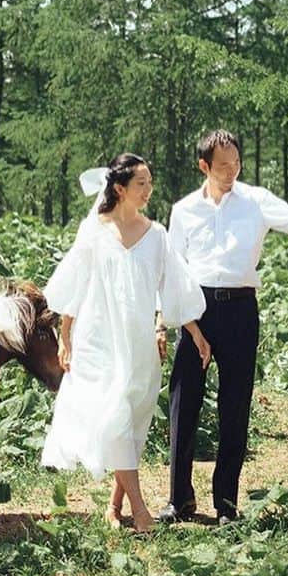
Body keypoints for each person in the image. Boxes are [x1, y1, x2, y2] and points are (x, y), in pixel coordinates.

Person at [159, 130, 288, 526]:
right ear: (204, 166)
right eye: (223, 166)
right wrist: (168, 322)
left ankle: (226, 504)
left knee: (234, 408)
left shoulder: (256, 201)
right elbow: (171, 269)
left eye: (236, 163)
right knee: (182, 407)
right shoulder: (184, 210)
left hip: (240, 312)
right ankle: (179, 499)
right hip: (195, 312)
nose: (232, 171)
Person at [42, 153, 211, 532]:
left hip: (137, 343)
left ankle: (114, 506)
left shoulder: (157, 236)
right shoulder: (95, 233)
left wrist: (195, 333)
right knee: (115, 415)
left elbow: (175, 288)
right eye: (141, 184)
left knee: (133, 421)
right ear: (119, 189)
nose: (149, 190)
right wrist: (65, 335)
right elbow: (76, 284)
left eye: (150, 182)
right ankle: (141, 511)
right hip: (99, 339)